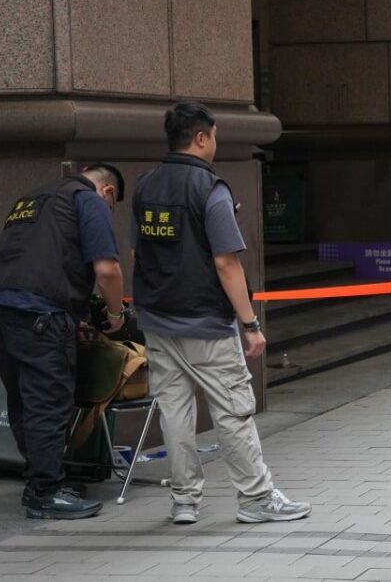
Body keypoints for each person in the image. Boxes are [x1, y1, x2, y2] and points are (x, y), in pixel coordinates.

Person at [132, 102, 310, 525]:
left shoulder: (145, 186)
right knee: (232, 408)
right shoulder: (210, 188)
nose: (215, 143)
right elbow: (226, 262)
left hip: (157, 319)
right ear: (201, 137)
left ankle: (184, 501)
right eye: (213, 136)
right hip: (205, 321)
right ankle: (256, 497)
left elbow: (139, 251)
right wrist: (250, 324)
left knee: (174, 412)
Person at [0, 163, 126, 519]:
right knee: (49, 404)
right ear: (108, 192)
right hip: (42, 316)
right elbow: (107, 270)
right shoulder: (89, 200)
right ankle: (45, 493)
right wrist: (115, 316)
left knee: (22, 402)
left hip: (2, 309)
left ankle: (42, 480)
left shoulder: (30, 199)